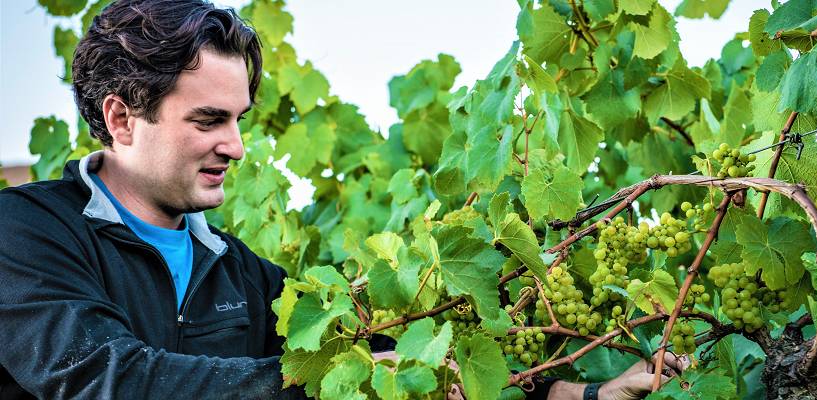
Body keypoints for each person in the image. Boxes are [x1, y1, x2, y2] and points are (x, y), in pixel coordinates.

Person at [0, 1, 683, 399]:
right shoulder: (26, 231)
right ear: (121, 119)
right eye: (209, 121)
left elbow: (397, 349)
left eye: (240, 119)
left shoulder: (240, 270)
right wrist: (319, 381)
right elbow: (99, 375)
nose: (236, 147)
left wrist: (571, 391)